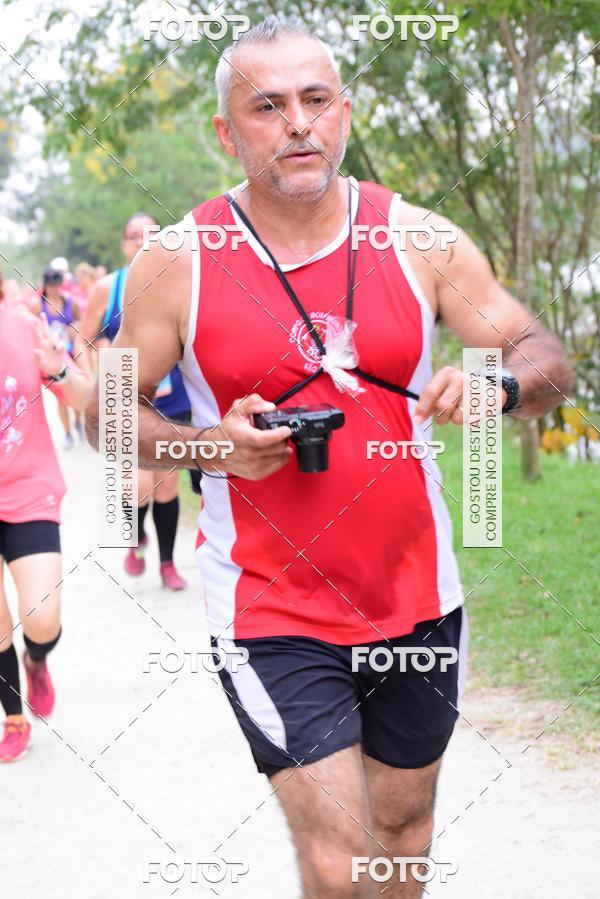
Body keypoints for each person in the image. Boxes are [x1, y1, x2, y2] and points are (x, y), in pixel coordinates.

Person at [85, 18, 573, 898]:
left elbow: (544, 353)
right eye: (268, 107)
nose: (299, 123)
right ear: (229, 134)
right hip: (272, 606)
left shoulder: (420, 238)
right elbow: (108, 414)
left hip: (417, 596)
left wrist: (495, 387)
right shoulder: (177, 262)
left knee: (403, 831)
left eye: (316, 100)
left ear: (345, 111)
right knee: (337, 856)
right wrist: (212, 448)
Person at [0, 279, 91, 762]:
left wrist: (58, 371)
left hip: (28, 491)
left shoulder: (23, 328)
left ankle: (36, 659)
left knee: (42, 616)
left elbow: (85, 402)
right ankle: (13, 716)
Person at [80, 214, 190, 590]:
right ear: (123, 244)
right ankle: (136, 537)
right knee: (137, 486)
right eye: (134, 237)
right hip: (125, 402)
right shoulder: (108, 287)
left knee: (167, 486)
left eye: (152, 236)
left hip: (173, 401)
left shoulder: (179, 281)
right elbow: (84, 338)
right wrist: (98, 376)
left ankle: (168, 563)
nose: (142, 243)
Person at [31, 268, 85, 447]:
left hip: (71, 355)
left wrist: (75, 327)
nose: (55, 288)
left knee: (74, 391)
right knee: (61, 397)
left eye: (57, 284)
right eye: (51, 285)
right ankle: (68, 432)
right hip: (52, 359)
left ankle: (78, 422)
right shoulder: (38, 305)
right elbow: (31, 329)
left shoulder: (71, 302)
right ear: (46, 285)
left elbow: (84, 324)